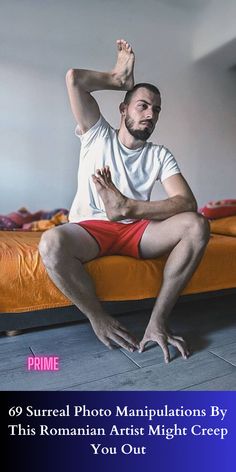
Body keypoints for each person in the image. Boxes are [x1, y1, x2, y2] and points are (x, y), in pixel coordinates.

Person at [39, 39, 210, 363]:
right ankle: (99, 318)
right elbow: (75, 79)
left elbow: (187, 202)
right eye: (143, 105)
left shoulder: (159, 154)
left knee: (197, 225)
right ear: (123, 109)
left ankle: (158, 321)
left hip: (136, 231)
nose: (151, 114)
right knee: (50, 242)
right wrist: (117, 80)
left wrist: (129, 208)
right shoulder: (96, 133)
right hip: (91, 229)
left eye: (156, 109)